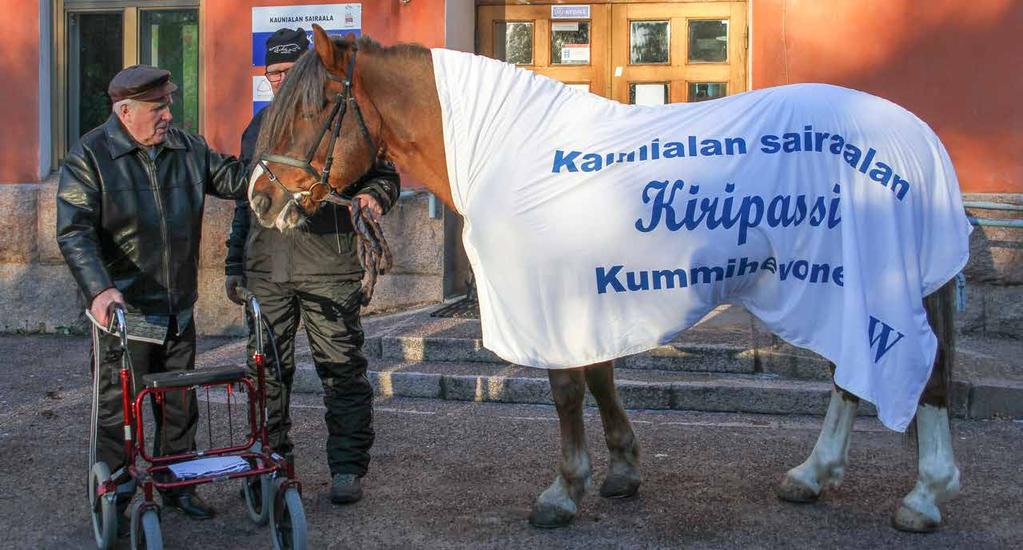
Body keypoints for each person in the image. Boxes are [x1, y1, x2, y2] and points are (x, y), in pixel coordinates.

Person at [57, 65, 249, 525]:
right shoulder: (90, 155)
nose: (168, 115)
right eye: (157, 107)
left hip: (178, 308)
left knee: (179, 403)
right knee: (117, 408)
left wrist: (282, 170)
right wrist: (100, 289)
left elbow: (237, 179)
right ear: (125, 112)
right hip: (127, 311)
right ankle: (115, 498)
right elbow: (74, 231)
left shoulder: (187, 147)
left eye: (168, 104)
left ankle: (178, 487)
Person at [224, 27, 400, 504]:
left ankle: (346, 468)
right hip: (268, 271)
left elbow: (385, 174)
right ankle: (270, 462)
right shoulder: (255, 130)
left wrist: (373, 195)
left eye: (289, 70)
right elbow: (245, 205)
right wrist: (233, 265)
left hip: (329, 267)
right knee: (266, 374)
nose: (281, 80)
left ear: (306, 70)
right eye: (273, 72)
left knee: (341, 371)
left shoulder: (337, 117)